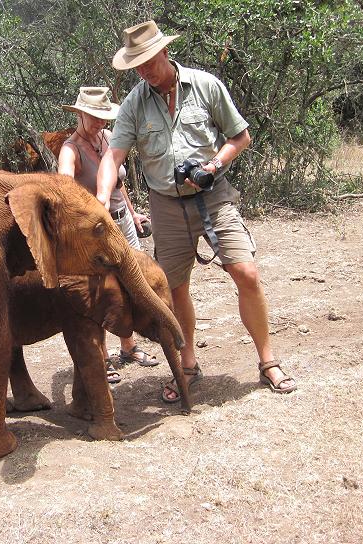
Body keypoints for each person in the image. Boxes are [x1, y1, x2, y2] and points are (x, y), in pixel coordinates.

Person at [95, 21, 296, 401]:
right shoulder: (135, 104)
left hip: (214, 196)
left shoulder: (205, 85)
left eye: (147, 62)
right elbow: (113, 155)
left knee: (246, 272)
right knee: (173, 288)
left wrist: (214, 166)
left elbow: (241, 136)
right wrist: (102, 199)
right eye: (136, 66)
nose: (144, 72)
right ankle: (187, 364)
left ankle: (268, 361)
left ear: (164, 52)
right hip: (166, 207)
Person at [59, 86, 159, 384]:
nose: (100, 122)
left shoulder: (106, 138)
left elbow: (117, 182)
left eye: (104, 117)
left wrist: (133, 211)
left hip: (124, 222)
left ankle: (129, 347)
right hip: (98, 232)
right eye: (94, 117)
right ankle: (101, 357)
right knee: (101, 291)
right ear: (79, 113)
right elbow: (64, 191)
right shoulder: (70, 150)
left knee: (132, 284)